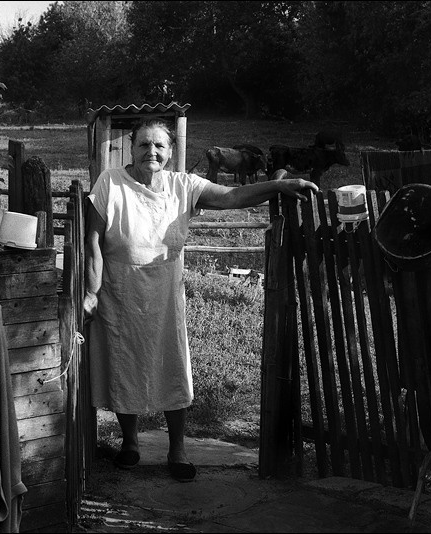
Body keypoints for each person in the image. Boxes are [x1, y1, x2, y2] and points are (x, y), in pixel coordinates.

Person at [83, 118, 319, 482]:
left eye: (160, 146)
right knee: (122, 363)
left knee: (172, 366)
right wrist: (91, 292)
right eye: (144, 144)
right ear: (132, 148)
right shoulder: (109, 183)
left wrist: (278, 185)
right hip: (120, 291)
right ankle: (130, 442)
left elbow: (232, 196)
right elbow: (93, 242)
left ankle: (177, 448)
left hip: (164, 294)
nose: (152, 152)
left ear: (171, 151)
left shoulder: (184, 185)